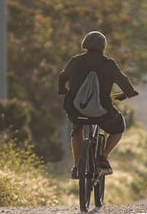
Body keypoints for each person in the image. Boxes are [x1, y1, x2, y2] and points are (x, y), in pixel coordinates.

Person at [58, 30, 139, 178]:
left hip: (77, 110)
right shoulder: (108, 64)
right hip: (103, 112)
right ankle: (103, 156)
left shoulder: (75, 61)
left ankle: (77, 166)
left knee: (77, 129)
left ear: (85, 44)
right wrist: (129, 93)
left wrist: (62, 89)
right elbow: (123, 80)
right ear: (103, 46)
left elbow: (62, 76)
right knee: (118, 127)